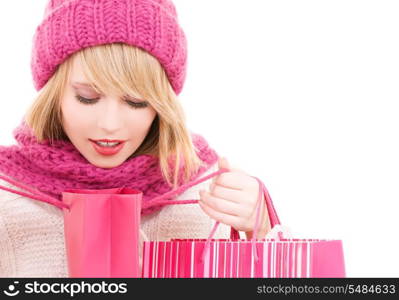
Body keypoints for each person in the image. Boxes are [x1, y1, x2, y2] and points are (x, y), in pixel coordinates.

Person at [0, 0, 271, 277]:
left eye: (136, 102)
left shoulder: (209, 192)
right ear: (53, 92)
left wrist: (261, 234)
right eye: (87, 98)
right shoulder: (7, 195)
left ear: (161, 103)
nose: (109, 124)